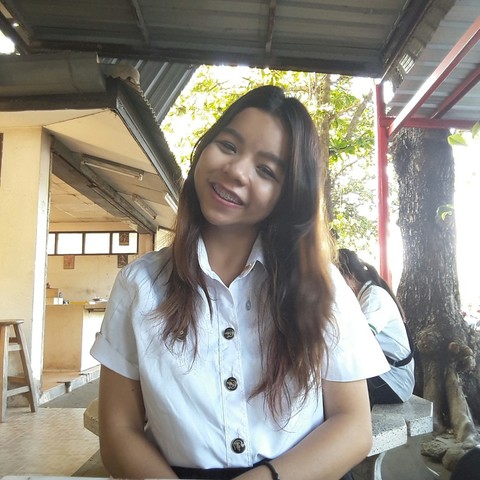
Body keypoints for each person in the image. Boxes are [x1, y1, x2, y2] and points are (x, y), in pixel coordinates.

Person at [91, 86, 389, 480]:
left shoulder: (322, 287)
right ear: (204, 149)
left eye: (266, 170)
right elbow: (119, 431)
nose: (236, 170)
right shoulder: (139, 284)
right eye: (228, 146)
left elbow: (353, 425)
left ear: (288, 195)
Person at [337, 248, 415, 406]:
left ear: (349, 276)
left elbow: (358, 340)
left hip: (393, 383)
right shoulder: (364, 296)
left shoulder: (374, 297)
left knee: (332, 380)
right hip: (387, 377)